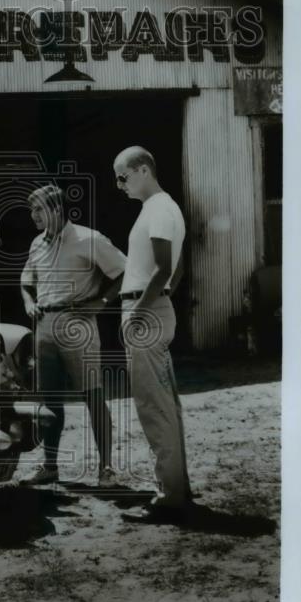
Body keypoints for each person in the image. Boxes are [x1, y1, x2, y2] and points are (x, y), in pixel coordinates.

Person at [19, 184, 126, 487]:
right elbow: (26, 281)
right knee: (50, 401)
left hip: (77, 324)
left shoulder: (89, 239)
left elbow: (124, 272)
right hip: (45, 325)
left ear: (56, 209)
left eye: (38, 209)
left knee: (93, 396)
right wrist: (29, 302)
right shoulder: (37, 244)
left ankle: (106, 469)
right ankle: (50, 466)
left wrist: (103, 302)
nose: (33, 215)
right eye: (32, 210)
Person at [112, 145, 193, 518]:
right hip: (153, 308)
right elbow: (176, 268)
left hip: (144, 312)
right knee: (164, 403)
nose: (119, 185)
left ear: (143, 169)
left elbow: (163, 267)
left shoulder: (159, 208)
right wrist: (163, 298)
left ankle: (169, 496)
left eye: (123, 176)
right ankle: (176, 489)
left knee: (152, 405)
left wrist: (141, 311)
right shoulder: (164, 208)